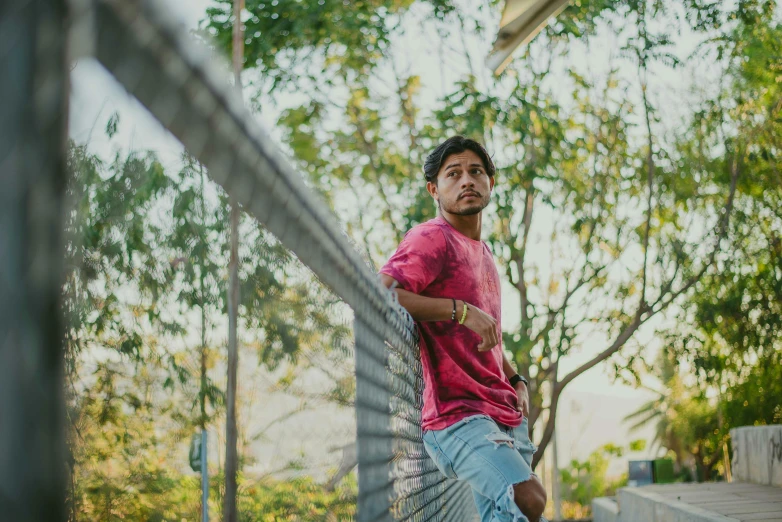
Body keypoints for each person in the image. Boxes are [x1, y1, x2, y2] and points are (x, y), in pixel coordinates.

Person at [379, 136, 548, 522]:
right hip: (457, 418)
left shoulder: (484, 254)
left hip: (503, 413)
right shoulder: (431, 237)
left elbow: (486, 340)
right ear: (434, 190)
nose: (466, 180)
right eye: (453, 174)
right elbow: (383, 292)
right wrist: (459, 310)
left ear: (491, 182)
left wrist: (516, 377)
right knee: (529, 498)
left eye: (475, 171)